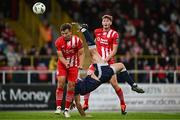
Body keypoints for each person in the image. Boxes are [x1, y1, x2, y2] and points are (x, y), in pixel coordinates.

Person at [73, 24, 144, 117]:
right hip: (101, 72)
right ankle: (84, 30)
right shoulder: (75, 84)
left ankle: (133, 85)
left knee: (121, 66)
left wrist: (77, 110)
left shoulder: (76, 88)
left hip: (101, 72)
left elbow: (77, 103)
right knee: (93, 53)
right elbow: (76, 101)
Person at [82, 15, 137, 114]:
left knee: (115, 85)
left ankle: (123, 104)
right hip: (97, 62)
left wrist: (105, 60)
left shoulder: (114, 34)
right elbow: (94, 43)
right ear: (102, 22)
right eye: (104, 21)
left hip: (108, 62)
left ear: (111, 23)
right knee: (88, 78)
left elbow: (114, 50)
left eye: (108, 21)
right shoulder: (97, 32)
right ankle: (86, 103)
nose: (106, 22)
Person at [54, 23, 84, 117]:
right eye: (62, 33)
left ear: (70, 32)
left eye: (66, 33)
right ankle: (58, 107)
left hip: (73, 65)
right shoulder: (58, 41)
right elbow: (60, 56)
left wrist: (81, 64)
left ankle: (66, 110)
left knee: (71, 86)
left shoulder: (77, 40)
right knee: (61, 82)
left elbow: (82, 53)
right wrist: (65, 62)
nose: (64, 35)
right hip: (62, 64)